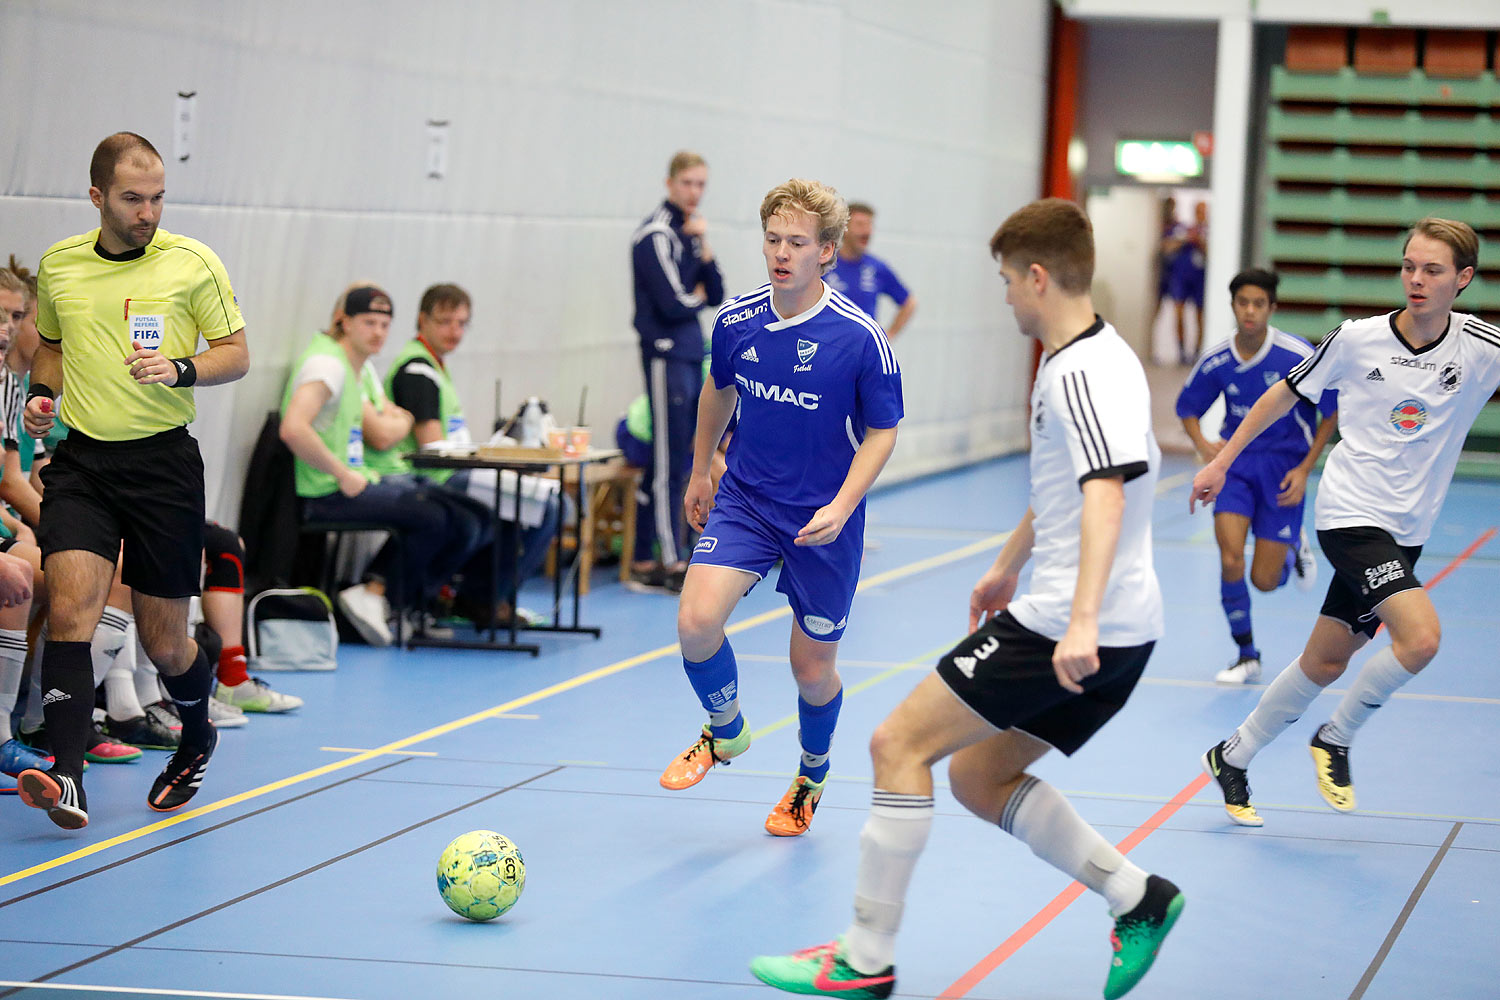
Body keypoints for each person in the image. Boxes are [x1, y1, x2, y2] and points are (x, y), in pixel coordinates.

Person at [751, 198, 1181, 1000]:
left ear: (1039, 277)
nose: (1006, 296)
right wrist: (1007, 564)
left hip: (1072, 624)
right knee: (979, 778)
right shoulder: (1082, 359)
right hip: (1107, 621)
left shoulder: (1084, 370)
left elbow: (1108, 496)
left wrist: (1078, 618)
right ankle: (1139, 898)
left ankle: (864, 958)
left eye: (1007, 281)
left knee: (897, 745)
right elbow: (1066, 486)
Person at [1195, 217, 1500, 826]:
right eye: (1409, 265)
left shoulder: (1482, 349)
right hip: (1351, 514)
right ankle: (1336, 736)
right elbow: (1283, 395)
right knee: (1421, 638)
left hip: (1408, 530)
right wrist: (1223, 460)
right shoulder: (1357, 339)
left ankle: (1233, 754)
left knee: (1326, 661)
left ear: (1462, 279)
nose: (1415, 279)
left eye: (1432, 270)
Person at [14, 132, 250, 830]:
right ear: (97, 197)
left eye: (156, 198)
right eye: (131, 198)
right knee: (70, 613)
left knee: (165, 641)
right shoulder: (60, 266)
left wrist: (182, 368)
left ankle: (197, 733)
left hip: (161, 466)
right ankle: (68, 777)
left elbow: (235, 354)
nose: (147, 212)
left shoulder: (192, 264)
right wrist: (42, 396)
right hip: (84, 464)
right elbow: (51, 347)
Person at [658, 177, 902, 837]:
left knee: (811, 668)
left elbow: (883, 431)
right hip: (747, 499)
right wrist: (700, 467)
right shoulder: (737, 320)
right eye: (773, 239)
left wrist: (847, 504)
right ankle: (725, 729)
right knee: (696, 621)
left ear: (828, 252)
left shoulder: (860, 337)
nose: (781, 253)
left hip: (823, 520)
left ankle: (811, 774)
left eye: (797, 242)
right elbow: (718, 389)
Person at [280, 285, 484, 646]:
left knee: (466, 517)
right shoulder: (327, 365)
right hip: (325, 490)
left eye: (384, 324)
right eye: (368, 322)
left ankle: (397, 602)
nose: (378, 333)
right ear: (344, 322)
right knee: (432, 516)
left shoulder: (356, 366)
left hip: (360, 479)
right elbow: (293, 428)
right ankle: (380, 595)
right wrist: (341, 473)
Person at [1176, 268, 1338, 683]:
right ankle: (1246, 654)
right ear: (1232, 306)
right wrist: (1204, 448)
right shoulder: (1218, 360)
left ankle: (1291, 548)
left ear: (1272, 308)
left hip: (1284, 470)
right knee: (1229, 556)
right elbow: (1187, 407)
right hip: (1236, 469)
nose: (1249, 311)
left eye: (1258, 304)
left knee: (1264, 581)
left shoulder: (1297, 355)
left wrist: (1305, 469)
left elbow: (1332, 411)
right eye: (1242, 303)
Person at [378, 283, 561, 628]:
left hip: (458, 473)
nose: (455, 331)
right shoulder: (417, 371)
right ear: (423, 320)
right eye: (446, 322)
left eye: (462, 323)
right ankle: (484, 600)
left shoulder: (435, 367)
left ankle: (484, 594)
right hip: (440, 478)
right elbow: (434, 446)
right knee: (547, 507)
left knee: (535, 503)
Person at [630, 151, 725, 591]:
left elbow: (717, 291)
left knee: (685, 457)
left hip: (690, 351)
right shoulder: (655, 234)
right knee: (668, 461)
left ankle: (656, 553)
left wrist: (703, 247)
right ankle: (669, 559)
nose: (694, 192)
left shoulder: (690, 232)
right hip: (665, 352)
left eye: (701, 184)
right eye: (687, 183)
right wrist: (698, 295)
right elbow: (673, 302)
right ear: (670, 184)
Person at [823, 202, 917, 339]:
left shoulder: (876, 267)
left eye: (870, 225)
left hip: (862, 349)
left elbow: (909, 302)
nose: (867, 231)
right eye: (860, 224)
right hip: (829, 344)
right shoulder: (823, 264)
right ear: (844, 229)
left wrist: (888, 335)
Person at [1162, 201, 1207, 365]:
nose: (1201, 214)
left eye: (1203, 211)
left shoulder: (1210, 231)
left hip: (1200, 279)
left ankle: (1196, 352)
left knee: (1200, 316)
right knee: (1179, 314)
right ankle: (1181, 351)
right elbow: (1166, 247)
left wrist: (1200, 241)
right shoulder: (1183, 230)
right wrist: (1186, 239)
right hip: (1181, 277)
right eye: (1198, 210)